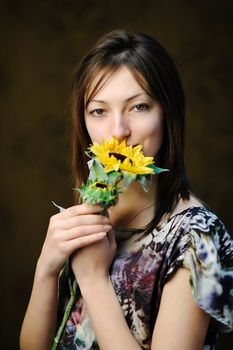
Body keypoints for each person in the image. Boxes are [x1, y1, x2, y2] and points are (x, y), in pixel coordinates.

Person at [20, 30, 233, 350]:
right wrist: (46, 269)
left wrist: (93, 279)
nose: (118, 131)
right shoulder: (93, 207)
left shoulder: (198, 237)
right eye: (99, 111)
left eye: (139, 107)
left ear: (168, 113)